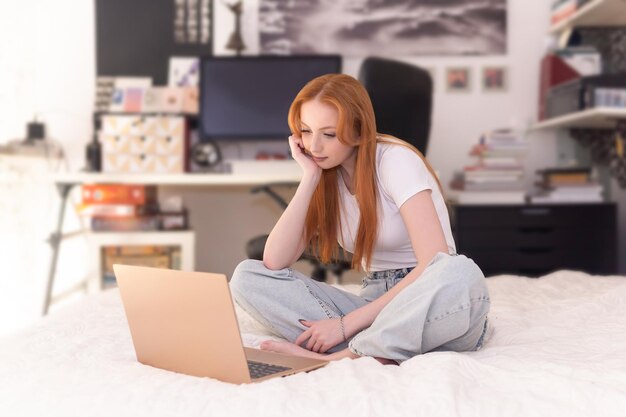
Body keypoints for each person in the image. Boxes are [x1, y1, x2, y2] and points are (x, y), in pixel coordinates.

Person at [230, 73, 490, 364]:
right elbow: (274, 262)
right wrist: (310, 177)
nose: (314, 146)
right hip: (375, 305)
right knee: (247, 277)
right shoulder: (324, 173)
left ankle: (344, 356)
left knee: (459, 272)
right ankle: (381, 346)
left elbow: (434, 263)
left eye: (328, 134)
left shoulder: (395, 161)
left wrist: (344, 326)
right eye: (305, 131)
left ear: (357, 130)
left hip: (430, 299)